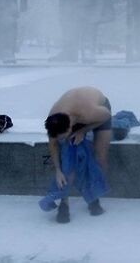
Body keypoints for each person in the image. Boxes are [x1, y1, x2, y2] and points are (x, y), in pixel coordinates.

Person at [44, 87, 112, 223]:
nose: (63, 138)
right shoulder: (53, 119)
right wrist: (58, 170)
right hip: (70, 113)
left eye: (64, 136)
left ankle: (94, 195)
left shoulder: (89, 113)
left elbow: (107, 116)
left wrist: (83, 130)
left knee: (100, 158)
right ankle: (64, 202)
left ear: (70, 127)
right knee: (68, 159)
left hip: (100, 111)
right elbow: (53, 144)